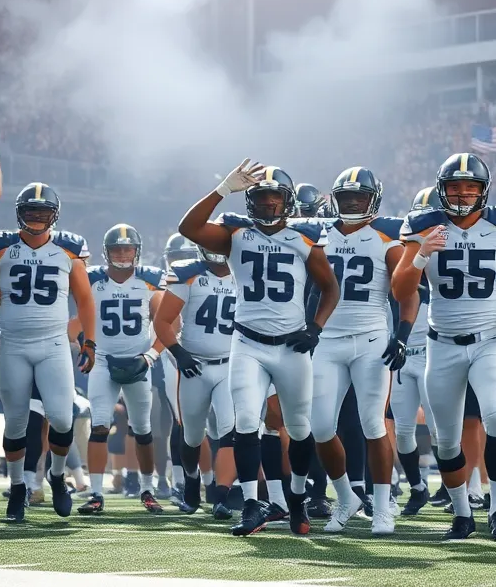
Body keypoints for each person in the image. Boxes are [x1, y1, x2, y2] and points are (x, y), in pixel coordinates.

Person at [178, 161, 340, 538]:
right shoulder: (236, 234)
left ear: (287, 201)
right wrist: (222, 189)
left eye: (274, 198)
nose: (267, 205)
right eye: (260, 198)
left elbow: (331, 288)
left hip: (291, 347)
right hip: (247, 342)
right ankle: (252, 504)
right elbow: (188, 228)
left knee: (299, 428)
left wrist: (315, 327)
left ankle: (296, 500)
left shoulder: (305, 239)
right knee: (245, 421)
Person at [393, 152, 496, 545]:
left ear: (484, 191)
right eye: (455, 187)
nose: (462, 194)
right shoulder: (423, 226)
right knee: (446, 440)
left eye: (471, 187)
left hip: (489, 342)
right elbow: (400, 290)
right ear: (442, 190)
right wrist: (422, 253)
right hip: (441, 346)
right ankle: (462, 512)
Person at [0, 183, 95, 524]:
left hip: (53, 343)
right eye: (30, 212)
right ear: (19, 214)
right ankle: (18, 487)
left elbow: (84, 300)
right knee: (17, 423)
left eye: (43, 213)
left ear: (54, 215)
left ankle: (56, 476)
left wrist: (89, 341)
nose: (37, 219)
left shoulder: (69, 248)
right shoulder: (1, 246)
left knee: (63, 417)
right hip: (12, 343)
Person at [311, 167, 408, 535]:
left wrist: (401, 333)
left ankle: (382, 506)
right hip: (328, 340)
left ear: (374, 199)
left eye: (360, 196)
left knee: (372, 422)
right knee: (319, 425)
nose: (352, 203)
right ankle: (346, 496)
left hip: (370, 338)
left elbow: (405, 291)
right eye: (346, 196)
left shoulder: (387, 235)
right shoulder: (317, 234)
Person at [79, 225, 167, 515]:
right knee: (100, 425)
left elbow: (168, 323)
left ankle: (146, 489)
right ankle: (95, 493)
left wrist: (151, 356)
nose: (122, 254)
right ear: (106, 252)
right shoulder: (91, 279)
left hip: (138, 360)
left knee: (142, 429)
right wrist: (82, 345)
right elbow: (74, 319)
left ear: (137, 251)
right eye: (117, 249)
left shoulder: (151, 280)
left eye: (127, 249)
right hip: (103, 359)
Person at [154, 238, 237, 520]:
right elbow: (162, 322)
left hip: (229, 364)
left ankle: (220, 495)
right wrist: (178, 352)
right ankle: (192, 480)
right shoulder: (188, 274)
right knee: (192, 435)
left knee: (230, 429)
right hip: (194, 365)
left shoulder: (244, 272)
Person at [388, 187, 441, 517]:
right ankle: (417, 487)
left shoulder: (458, 252)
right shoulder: (405, 252)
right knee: (403, 430)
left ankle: (457, 488)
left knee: (440, 430)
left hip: (435, 351)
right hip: (403, 352)